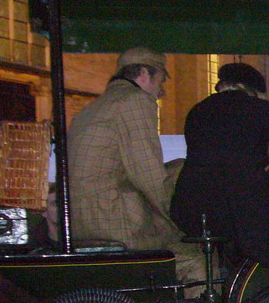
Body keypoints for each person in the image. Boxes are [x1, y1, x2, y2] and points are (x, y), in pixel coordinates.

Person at [62, 47, 205, 288]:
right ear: (143, 74)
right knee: (196, 261)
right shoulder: (135, 101)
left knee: (178, 167)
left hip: (82, 225)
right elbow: (150, 177)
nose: (163, 92)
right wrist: (184, 222)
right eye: (160, 80)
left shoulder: (93, 108)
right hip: (115, 226)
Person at [170, 62, 269, 273]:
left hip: (193, 208)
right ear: (252, 90)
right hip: (239, 209)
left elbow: (221, 161)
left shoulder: (198, 111)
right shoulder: (259, 109)